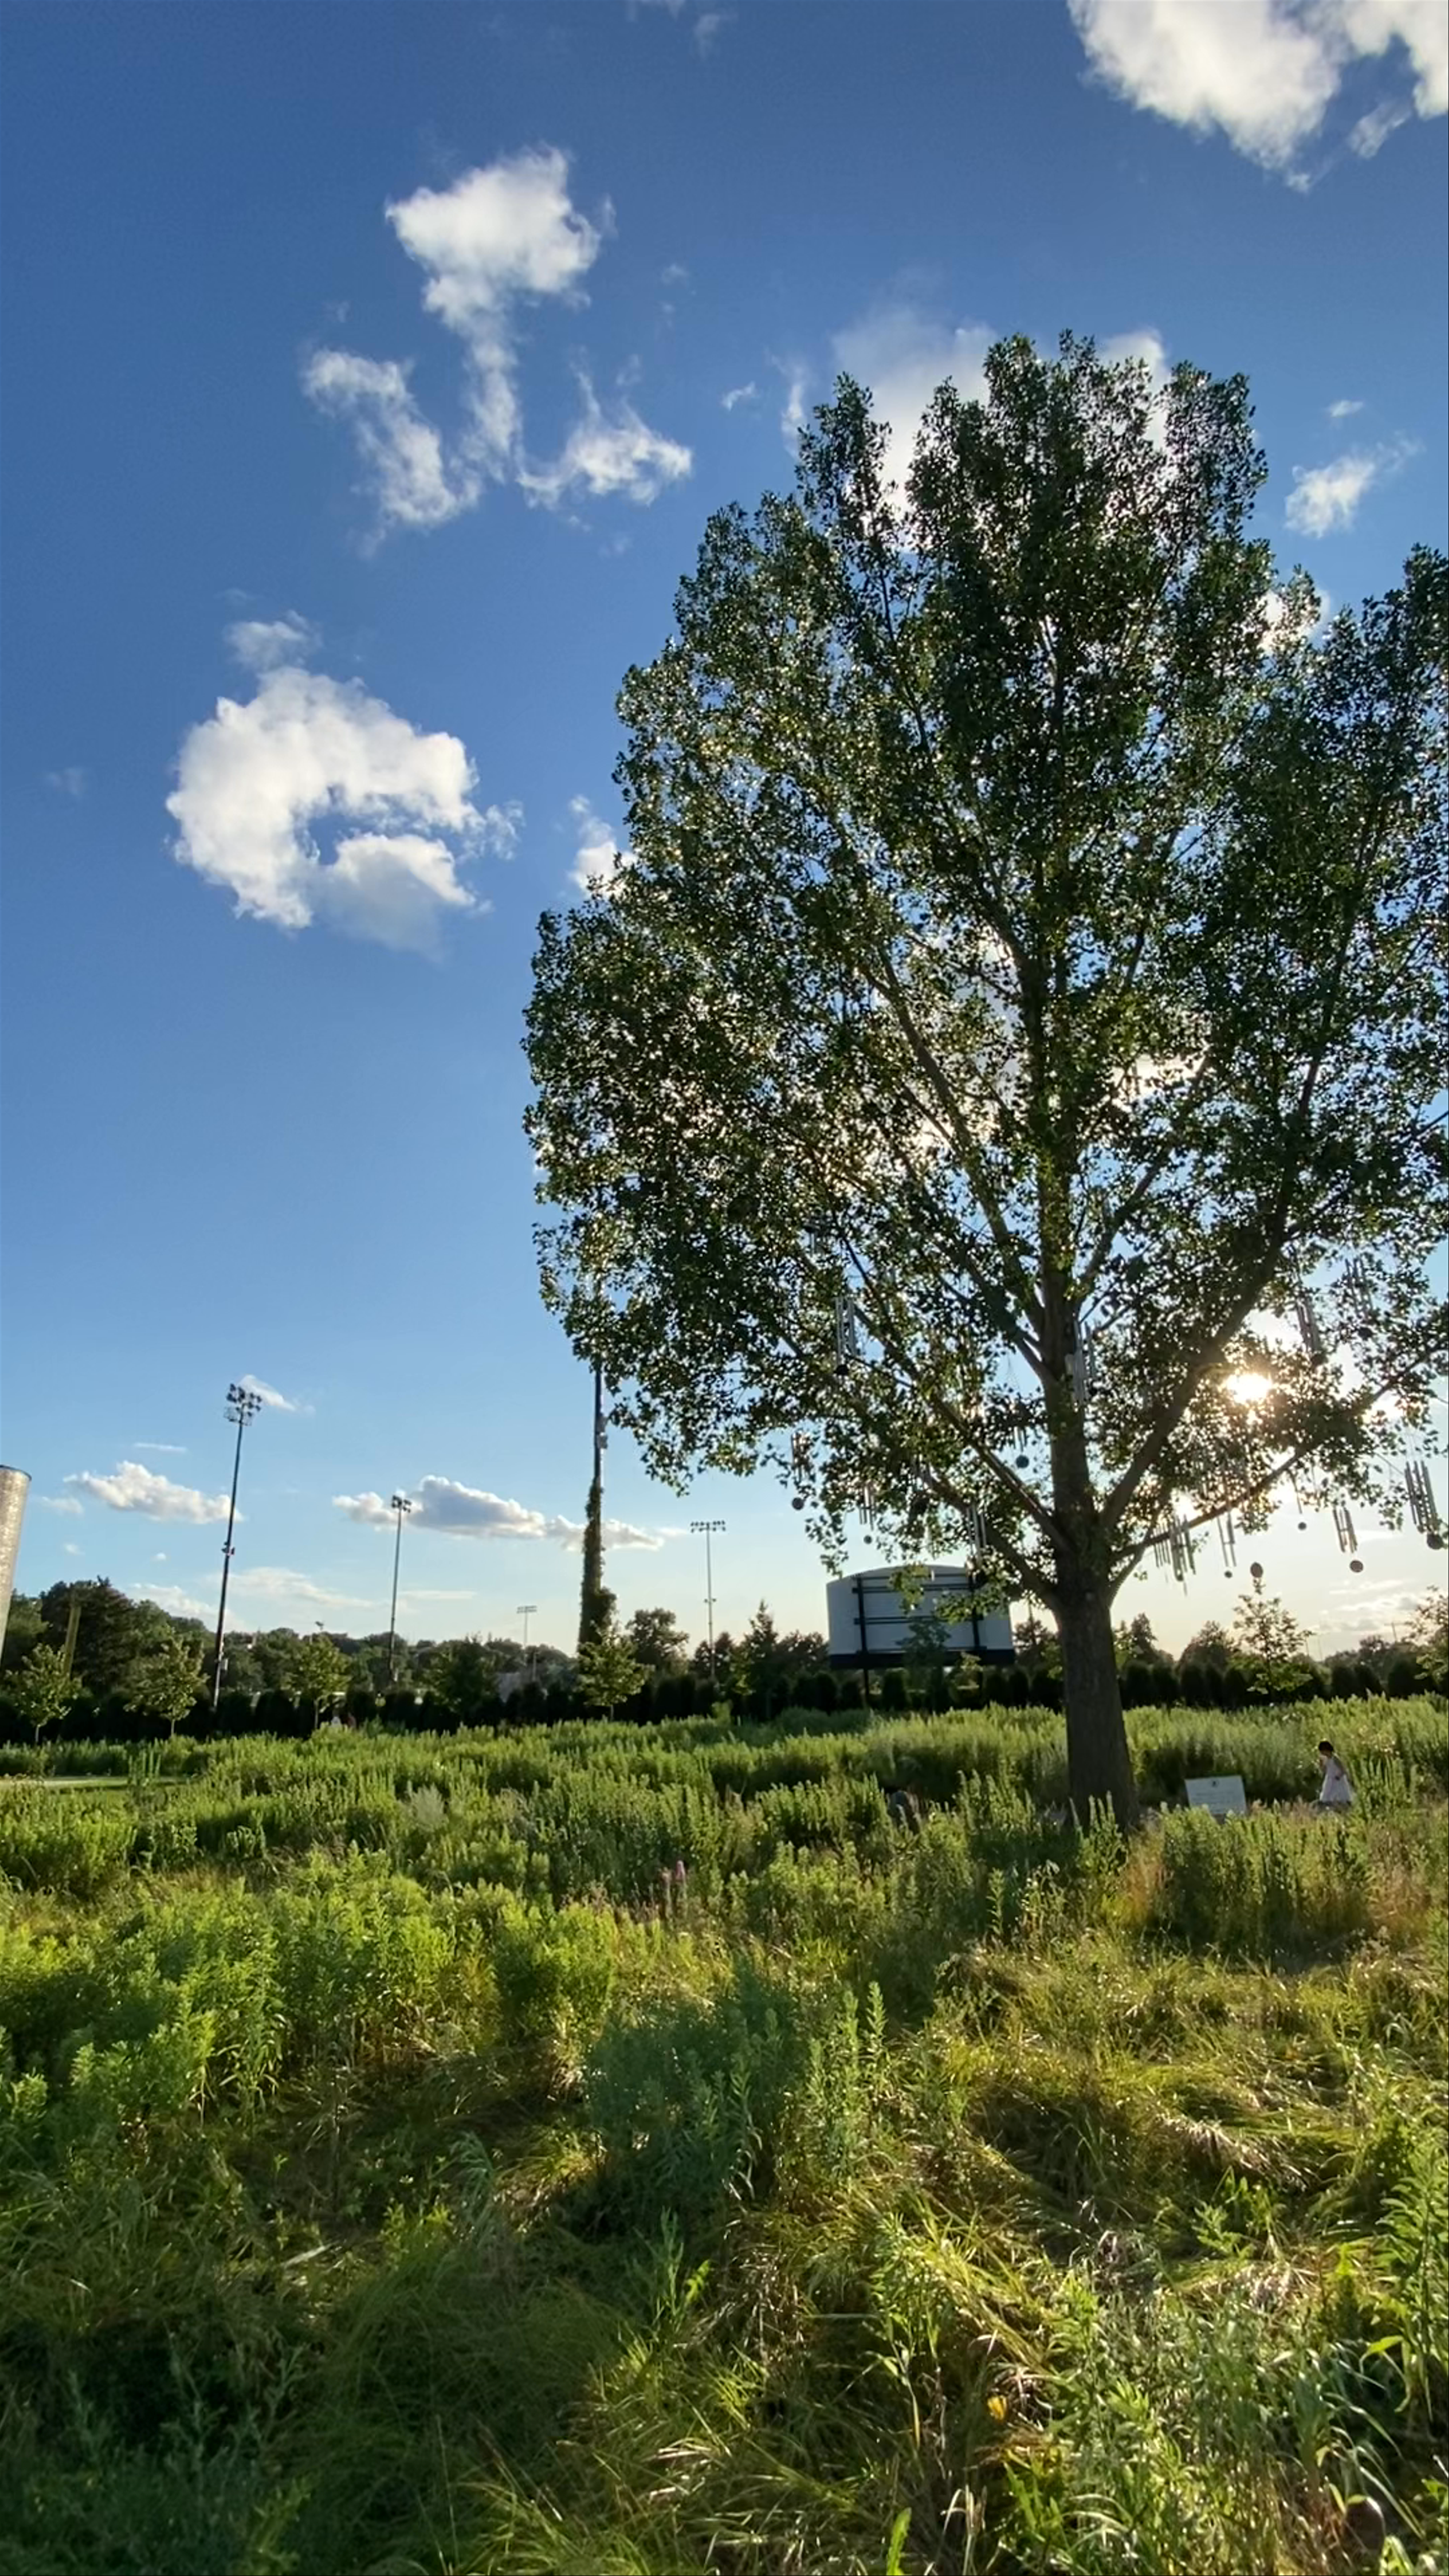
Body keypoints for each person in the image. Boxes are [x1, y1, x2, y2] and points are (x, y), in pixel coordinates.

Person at [1316, 1739, 1355, 1810]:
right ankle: (1331, 1810)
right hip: (1330, 1780)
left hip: (1338, 1780)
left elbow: (1343, 1769)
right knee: (1327, 1798)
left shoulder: (1335, 1758)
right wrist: (1321, 1765)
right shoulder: (1326, 1759)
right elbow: (1325, 1771)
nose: (1322, 1753)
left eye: (1323, 1751)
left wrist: (1338, 1776)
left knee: (1339, 1797)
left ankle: (1342, 1809)